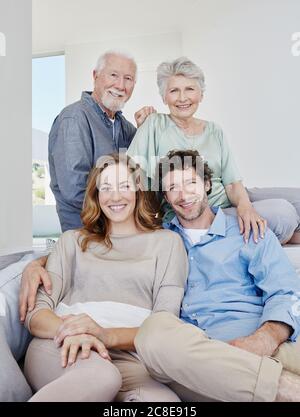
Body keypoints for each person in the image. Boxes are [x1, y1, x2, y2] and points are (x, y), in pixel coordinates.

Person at [134, 149, 300, 402]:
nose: (184, 195)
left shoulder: (250, 229)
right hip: (201, 359)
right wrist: (49, 259)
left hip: (264, 342)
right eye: (173, 188)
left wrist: (264, 339)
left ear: (207, 184)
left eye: (191, 183)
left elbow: (286, 292)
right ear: (165, 197)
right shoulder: (161, 242)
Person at [23, 152, 188, 402]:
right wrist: (76, 332)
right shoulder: (72, 241)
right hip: (64, 345)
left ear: (138, 190)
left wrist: (104, 334)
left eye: (124, 186)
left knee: (166, 405)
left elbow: (165, 323)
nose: (116, 196)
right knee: (102, 378)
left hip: (132, 356)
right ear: (96, 195)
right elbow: (36, 315)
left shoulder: (167, 243)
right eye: (106, 188)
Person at [19, 50, 155, 321]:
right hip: (87, 240)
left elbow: (138, 175)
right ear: (95, 77)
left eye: (128, 78)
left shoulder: (124, 127)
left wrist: (145, 129)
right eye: (113, 75)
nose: (120, 84)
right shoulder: (74, 119)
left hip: (118, 238)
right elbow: (74, 190)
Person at [127, 57, 300, 245]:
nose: (182, 98)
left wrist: (245, 207)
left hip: (231, 194)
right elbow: (132, 176)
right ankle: (285, 236)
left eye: (190, 89)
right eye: (174, 90)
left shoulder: (214, 130)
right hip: (205, 209)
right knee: (282, 213)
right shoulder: (153, 125)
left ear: (201, 94)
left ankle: (282, 234)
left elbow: (232, 183)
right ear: (164, 97)